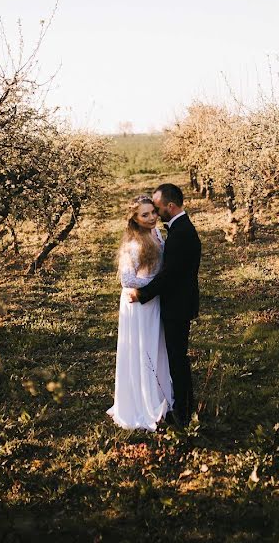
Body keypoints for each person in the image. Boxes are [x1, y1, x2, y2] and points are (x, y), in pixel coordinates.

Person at [128, 183, 201, 426]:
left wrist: (143, 294)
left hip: (177, 306)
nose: (156, 215)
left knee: (177, 359)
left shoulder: (181, 234)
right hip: (177, 303)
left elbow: (169, 275)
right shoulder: (179, 228)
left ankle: (184, 411)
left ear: (170, 206)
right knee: (174, 357)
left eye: (157, 209)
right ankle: (179, 403)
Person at [107, 196, 174, 431]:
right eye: (144, 215)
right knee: (142, 349)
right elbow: (127, 280)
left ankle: (158, 394)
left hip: (152, 301)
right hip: (138, 304)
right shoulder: (133, 245)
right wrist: (160, 282)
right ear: (134, 219)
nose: (151, 218)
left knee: (155, 347)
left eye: (153, 212)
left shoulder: (156, 235)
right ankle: (141, 402)